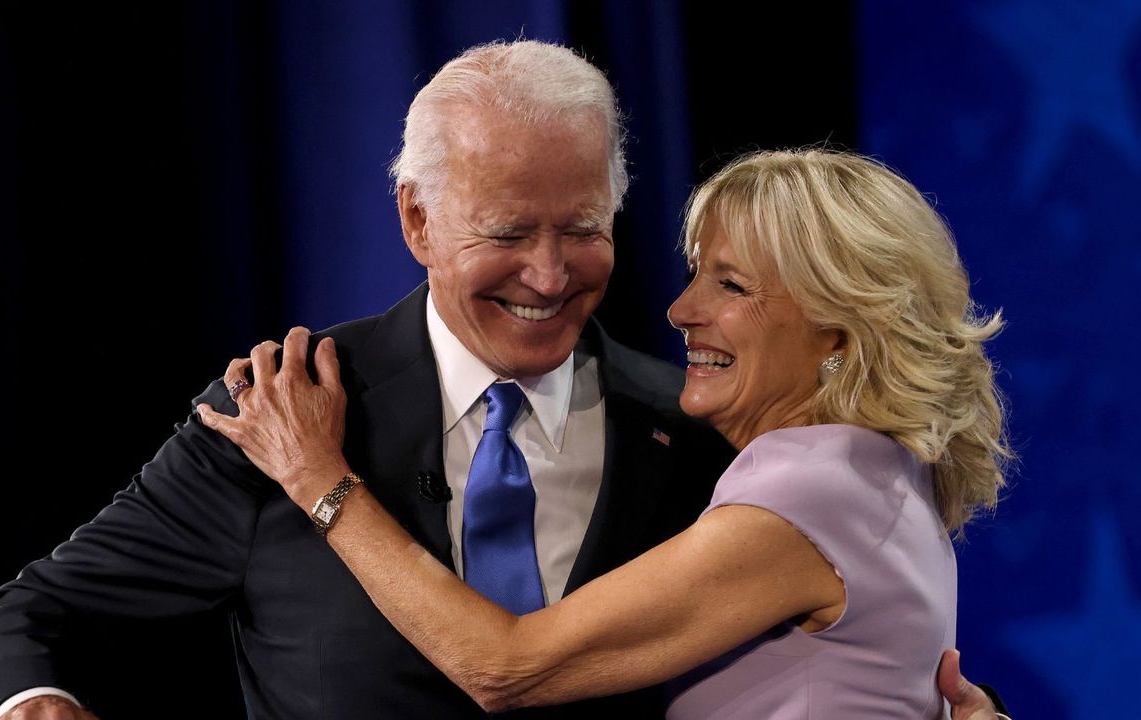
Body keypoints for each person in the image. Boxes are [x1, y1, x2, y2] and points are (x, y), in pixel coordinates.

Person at [0, 41, 1004, 720]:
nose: (548, 277)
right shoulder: (281, 410)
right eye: (507, 233)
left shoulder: (703, 438)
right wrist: (30, 707)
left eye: (582, 230)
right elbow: (25, 615)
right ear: (417, 221)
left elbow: (842, 647)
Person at [199, 148, 1013, 718]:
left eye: (728, 284)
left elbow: (504, 666)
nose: (681, 310)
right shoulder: (877, 473)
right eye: (695, 272)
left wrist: (316, 477)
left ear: (838, 329)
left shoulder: (813, 488)